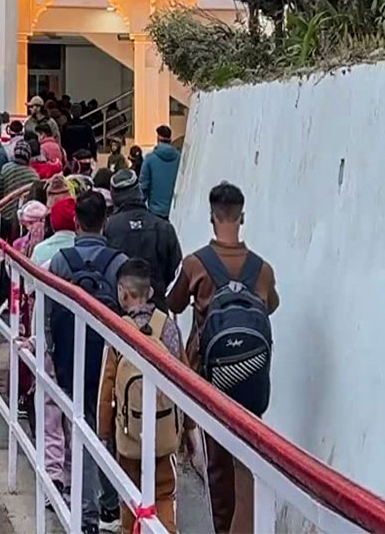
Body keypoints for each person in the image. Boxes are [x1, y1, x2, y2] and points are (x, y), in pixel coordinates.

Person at [167, 182, 279, 534]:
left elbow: (173, 304)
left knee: (217, 465)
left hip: (209, 378)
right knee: (247, 462)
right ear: (241, 217)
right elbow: (271, 306)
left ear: (212, 217)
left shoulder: (196, 264)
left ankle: (222, 529)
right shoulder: (262, 270)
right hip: (251, 375)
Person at [47, 190, 127, 534]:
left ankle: (86, 514)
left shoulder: (61, 262)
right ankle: (111, 501)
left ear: (76, 222)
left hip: (70, 357)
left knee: (78, 429)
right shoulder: (119, 263)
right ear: (105, 221)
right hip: (107, 360)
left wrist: (52, 352)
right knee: (107, 430)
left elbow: (50, 314)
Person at [99, 258, 184, 534]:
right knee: (163, 494)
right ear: (149, 293)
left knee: (131, 497)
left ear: (122, 293)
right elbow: (184, 378)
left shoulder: (118, 329)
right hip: (165, 432)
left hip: (129, 433)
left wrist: (104, 432)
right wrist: (189, 430)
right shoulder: (168, 327)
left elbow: (107, 383)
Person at [104, 169, 182, 306]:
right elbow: (175, 269)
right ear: (138, 191)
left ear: (114, 195)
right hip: (157, 310)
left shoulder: (108, 227)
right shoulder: (164, 227)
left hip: (119, 315)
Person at [139, 126, 180, 219]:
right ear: (170, 139)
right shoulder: (179, 158)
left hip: (155, 212)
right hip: (175, 211)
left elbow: (143, 187)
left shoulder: (149, 159)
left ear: (158, 138)